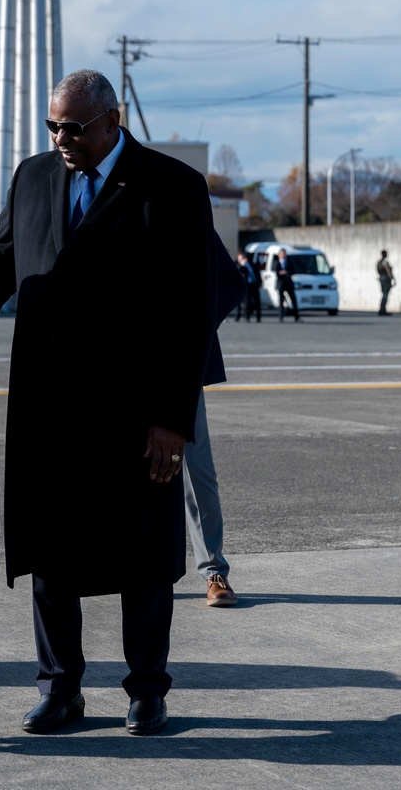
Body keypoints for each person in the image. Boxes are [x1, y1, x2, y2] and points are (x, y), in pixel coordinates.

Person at [0, 69, 222, 737]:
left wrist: (173, 418)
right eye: (53, 126)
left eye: (73, 127)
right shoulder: (30, 179)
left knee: (143, 556)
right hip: (49, 409)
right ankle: (60, 690)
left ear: (114, 120)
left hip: (136, 411)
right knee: (51, 554)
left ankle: (147, 691)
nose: (60, 138)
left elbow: (194, 310)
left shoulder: (170, 187)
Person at [187, 234, 246, 609]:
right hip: (109, 361)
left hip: (175, 364)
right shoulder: (89, 196)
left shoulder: (177, 195)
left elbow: (231, 281)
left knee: (196, 471)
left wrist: (191, 333)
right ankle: (120, 568)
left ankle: (213, 571)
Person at [272, 248, 300, 322]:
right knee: (281, 301)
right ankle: (281, 317)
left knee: (293, 299)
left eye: (284, 253)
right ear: (279, 255)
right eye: (282, 253)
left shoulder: (289, 262)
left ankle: (296, 316)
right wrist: (282, 273)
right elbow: (277, 272)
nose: (283, 255)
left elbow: (292, 271)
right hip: (281, 284)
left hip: (289, 283)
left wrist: (286, 272)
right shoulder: (277, 263)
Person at [234, 250, 261, 322]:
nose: (242, 260)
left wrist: (259, 282)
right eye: (240, 259)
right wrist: (242, 265)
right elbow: (239, 271)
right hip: (246, 286)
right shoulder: (238, 266)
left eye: (243, 258)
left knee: (257, 301)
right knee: (247, 302)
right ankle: (246, 316)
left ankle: (258, 317)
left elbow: (257, 273)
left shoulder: (251, 264)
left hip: (254, 284)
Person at [377, 249, 395, 316]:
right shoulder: (384, 262)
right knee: (385, 295)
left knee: (384, 294)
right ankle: (382, 310)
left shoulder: (379, 262)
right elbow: (388, 272)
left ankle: (382, 309)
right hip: (385, 279)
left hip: (381, 278)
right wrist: (392, 279)